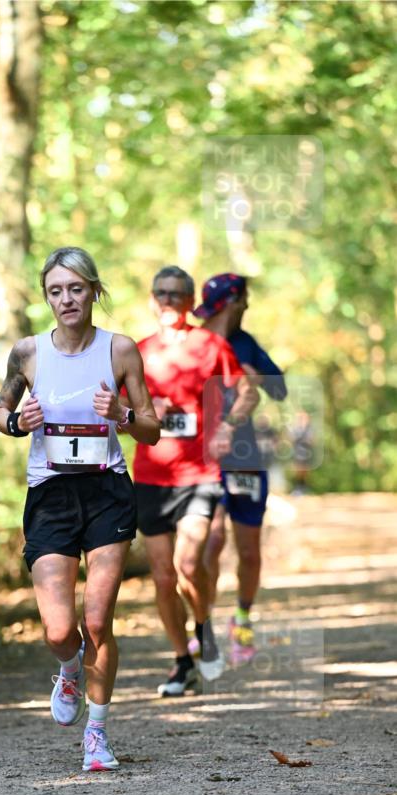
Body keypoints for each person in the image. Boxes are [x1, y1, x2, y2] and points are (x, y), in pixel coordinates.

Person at [0, 247, 159, 771]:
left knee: (98, 621)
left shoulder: (121, 350)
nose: (66, 299)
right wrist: (20, 421)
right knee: (62, 630)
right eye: (55, 291)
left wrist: (124, 414)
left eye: (76, 289)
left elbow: (152, 428)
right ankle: (69, 669)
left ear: (94, 291)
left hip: (107, 489)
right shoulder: (28, 353)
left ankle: (97, 733)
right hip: (50, 495)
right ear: (47, 297)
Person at [132, 266, 259, 697]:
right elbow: (113, 407)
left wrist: (227, 429)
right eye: (161, 293)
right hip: (150, 476)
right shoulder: (137, 351)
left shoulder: (210, 345)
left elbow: (248, 391)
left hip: (198, 475)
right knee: (164, 579)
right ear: (152, 300)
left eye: (177, 294)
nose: (168, 300)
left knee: (190, 564)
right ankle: (181, 662)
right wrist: (143, 408)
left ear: (190, 302)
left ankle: (203, 630)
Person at [193, 274, 287, 666]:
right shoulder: (193, 343)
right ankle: (205, 623)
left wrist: (252, 374)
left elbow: (279, 388)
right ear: (232, 302)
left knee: (248, 549)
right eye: (244, 299)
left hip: (245, 457)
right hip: (202, 458)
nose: (247, 306)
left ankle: (243, 619)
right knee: (211, 541)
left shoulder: (246, 343)